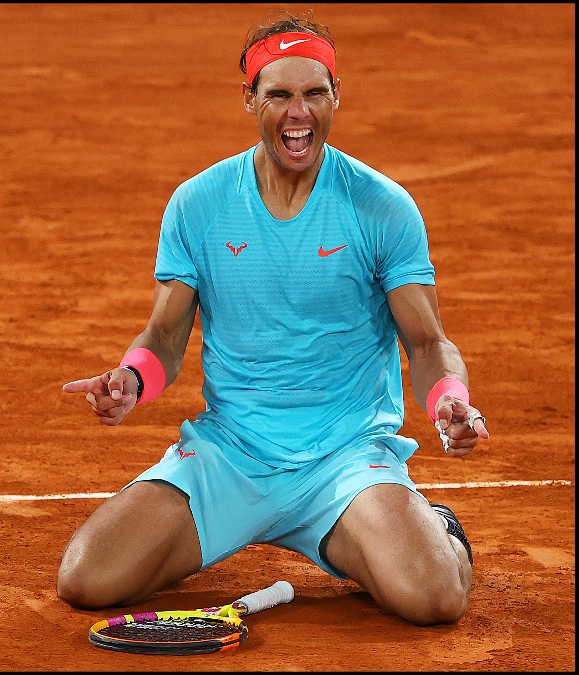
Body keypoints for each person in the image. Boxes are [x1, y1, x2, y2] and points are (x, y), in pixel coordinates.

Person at [57, 14, 490, 627]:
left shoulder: (381, 206)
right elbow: (165, 335)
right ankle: (232, 524)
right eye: (280, 94)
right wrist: (133, 378)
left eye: (315, 93)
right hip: (230, 456)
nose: (299, 112)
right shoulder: (199, 203)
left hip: (345, 461)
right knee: (85, 578)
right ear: (250, 98)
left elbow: (426, 341)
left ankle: (433, 527)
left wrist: (450, 398)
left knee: (434, 598)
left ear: (335, 96)